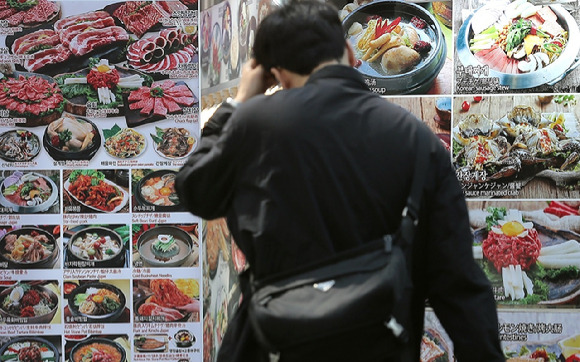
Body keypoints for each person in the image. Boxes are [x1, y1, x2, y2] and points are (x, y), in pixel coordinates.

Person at [176, 1, 504, 361]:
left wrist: (238, 104)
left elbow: (195, 191)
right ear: (349, 52)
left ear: (276, 74)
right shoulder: (414, 137)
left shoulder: (253, 125)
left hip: (281, 345)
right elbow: (456, 282)